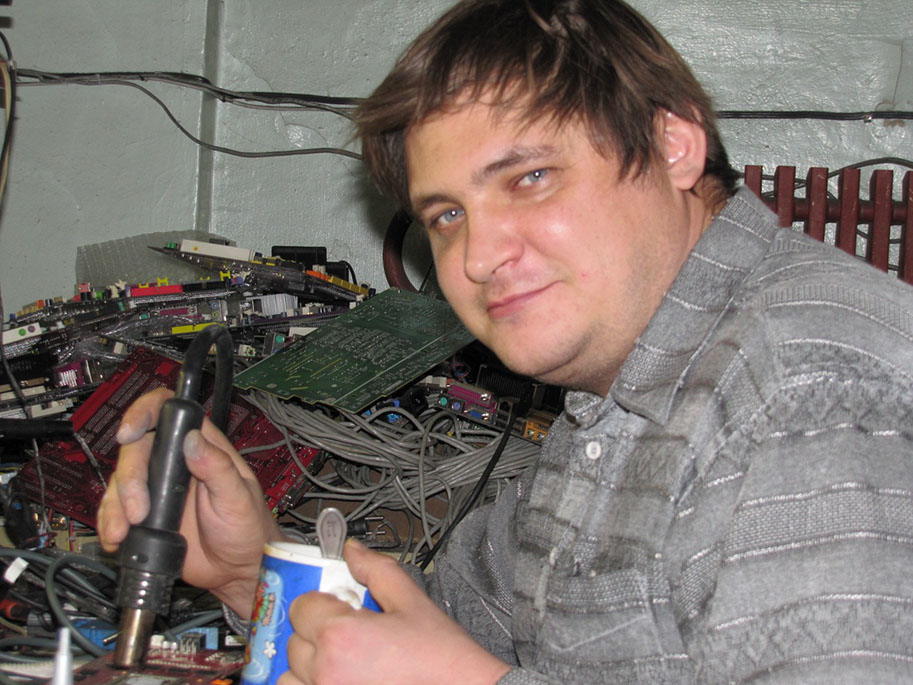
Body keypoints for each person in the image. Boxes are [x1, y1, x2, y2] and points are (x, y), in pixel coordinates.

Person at [98, 0, 913, 682]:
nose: (477, 257)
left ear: (671, 145)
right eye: (447, 214)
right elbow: (443, 634)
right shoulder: (613, 395)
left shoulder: (807, 391)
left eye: (529, 177)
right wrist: (254, 572)